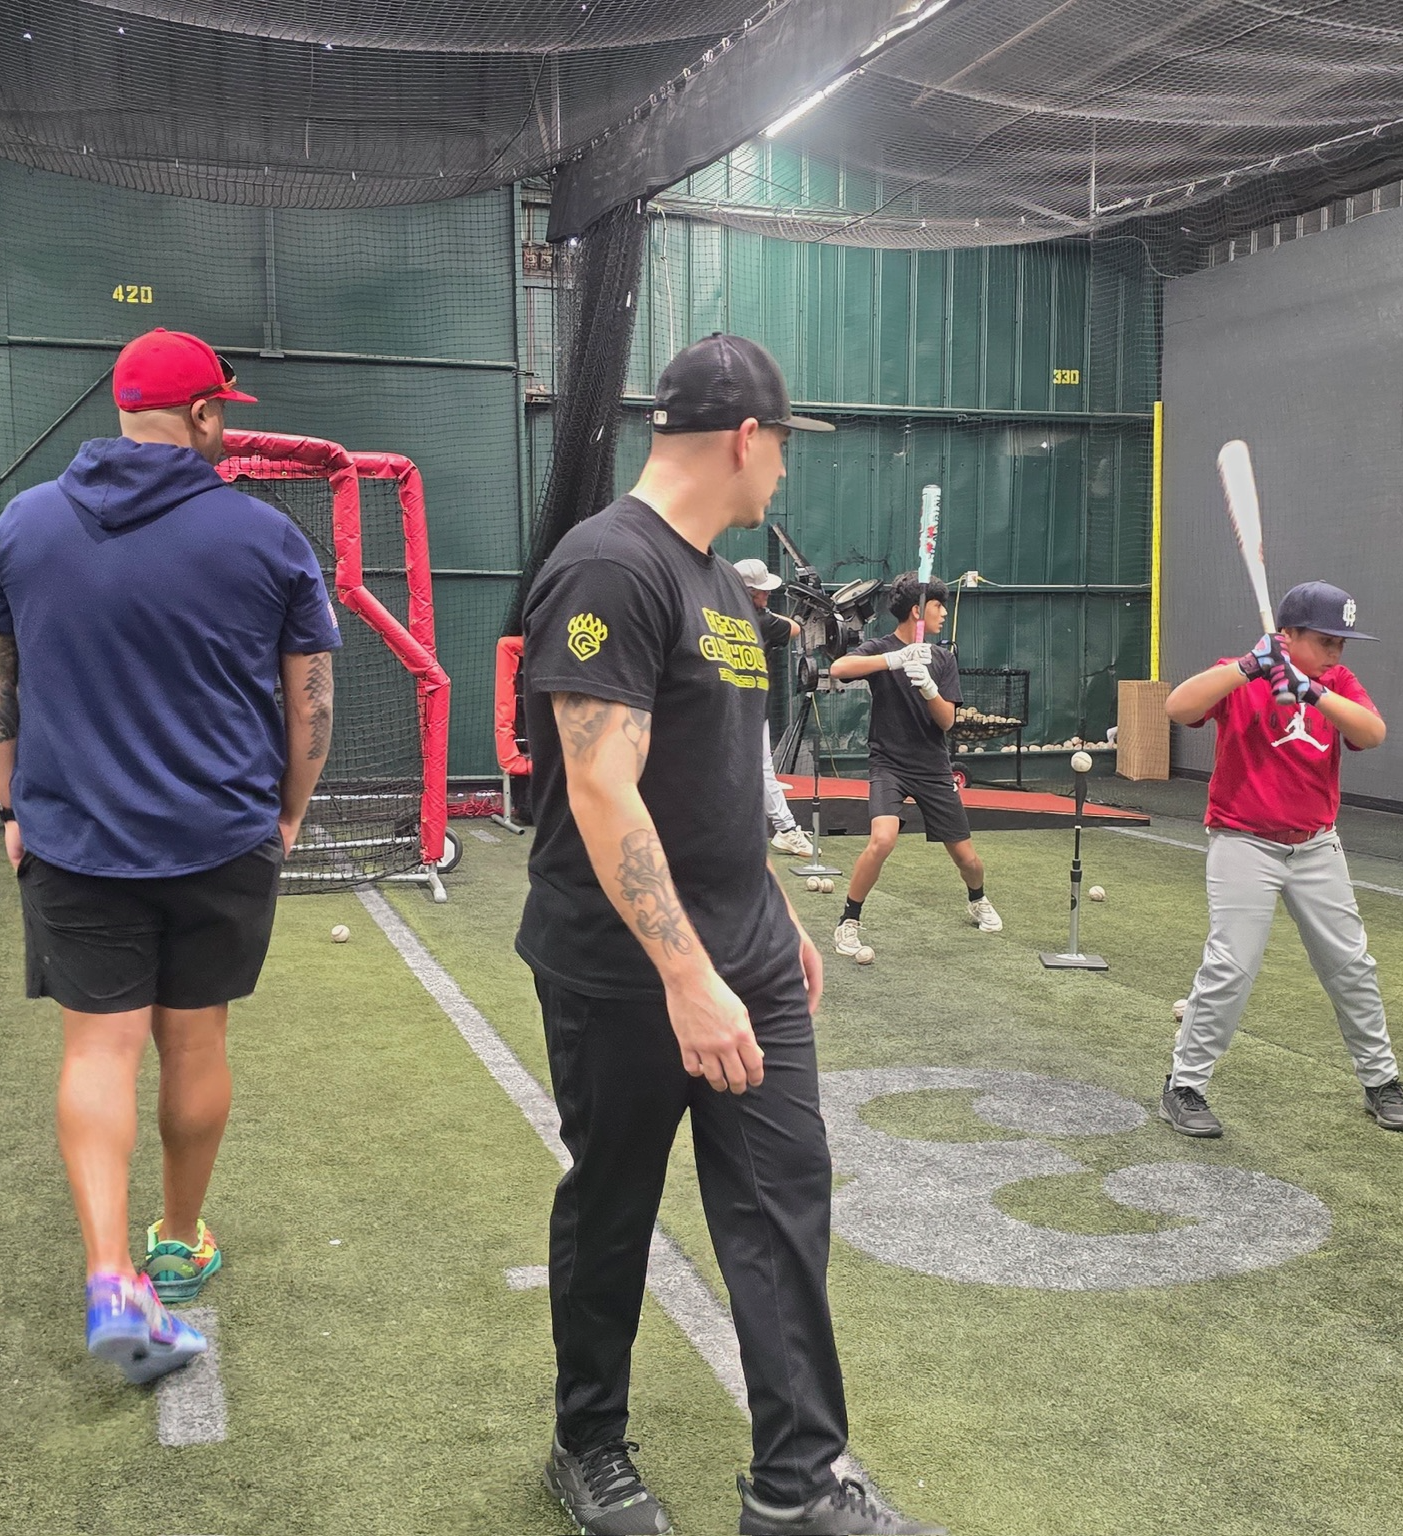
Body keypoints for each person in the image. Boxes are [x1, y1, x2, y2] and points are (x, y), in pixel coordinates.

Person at [516, 333, 941, 1536]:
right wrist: (688, 975)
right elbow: (602, 791)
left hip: (741, 951)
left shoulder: (717, 582)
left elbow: (710, 781)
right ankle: (587, 1443)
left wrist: (765, 918)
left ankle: (797, 1490)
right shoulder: (608, 568)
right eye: (782, 452)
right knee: (612, 1203)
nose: (784, 479)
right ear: (746, 439)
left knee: (778, 1200)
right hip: (623, 974)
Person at [0, 327, 341, 1382]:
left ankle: (110, 1279)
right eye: (227, 413)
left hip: (74, 838)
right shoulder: (266, 540)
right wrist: (289, 815)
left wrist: (12, 806)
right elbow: (308, 700)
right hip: (219, 837)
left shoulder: (25, 524)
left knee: (97, 1051)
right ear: (205, 416)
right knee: (196, 1041)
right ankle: (177, 1244)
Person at [1157, 580, 1403, 1138]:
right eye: (1325, 640)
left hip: (1316, 844)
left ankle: (1381, 1080)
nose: (1335, 653)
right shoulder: (1241, 671)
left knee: (1351, 966)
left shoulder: (1336, 682)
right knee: (1231, 964)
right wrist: (1253, 666)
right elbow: (1178, 706)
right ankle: (1184, 1085)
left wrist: (1311, 690)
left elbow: (1372, 734)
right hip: (1242, 840)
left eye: (1341, 643)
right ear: (1289, 635)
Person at [826, 576, 998, 958]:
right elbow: (839, 668)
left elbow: (947, 723)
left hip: (933, 767)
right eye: (939, 605)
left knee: (967, 859)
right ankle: (848, 922)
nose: (945, 613)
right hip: (888, 763)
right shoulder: (882, 649)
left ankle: (977, 898)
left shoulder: (942, 659)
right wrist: (894, 661)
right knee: (882, 839)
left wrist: (929, 689)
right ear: (919, 611)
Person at [733, 556, 813, 858]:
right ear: (746, 591)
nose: (766, 595)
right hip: (746, 706)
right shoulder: (760, 620)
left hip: (731, 704)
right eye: (761, 591)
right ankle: (787, 829)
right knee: (763, 770)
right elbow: (793, 628)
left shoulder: (719, 613)